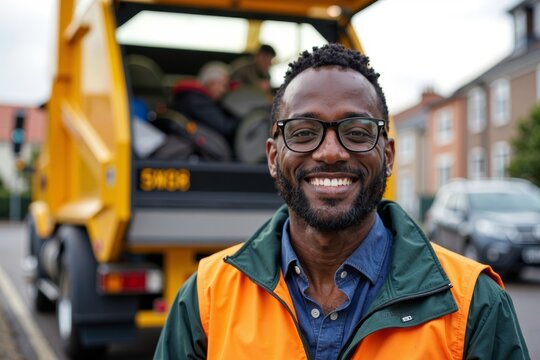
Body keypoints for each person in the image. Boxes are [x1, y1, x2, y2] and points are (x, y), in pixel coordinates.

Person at [154, 44, 529, 359]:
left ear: (389, 155)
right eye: (303, 132)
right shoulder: (206, 297)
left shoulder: (474, 303)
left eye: (356, 131)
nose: (331, 152)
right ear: (272, 157)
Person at [171, 61, 240, 145]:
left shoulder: (192, 97)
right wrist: (244, 119)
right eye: (223, 85)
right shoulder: (196, 100)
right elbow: (224, 127)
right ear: (210, 82)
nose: (224, 91)